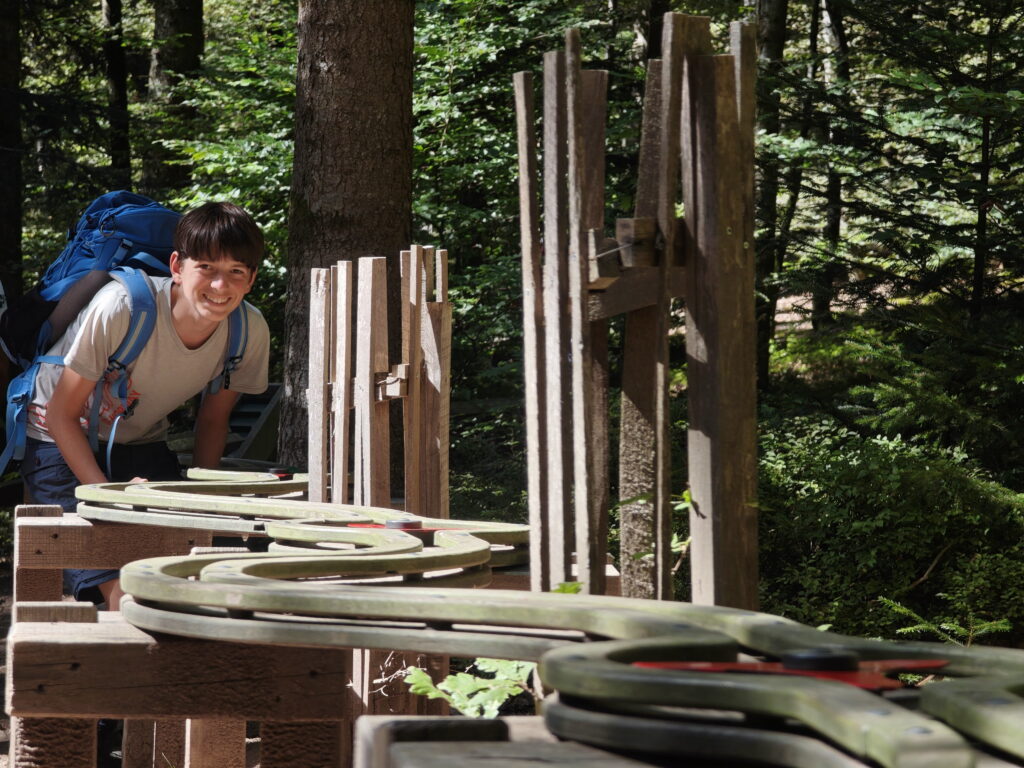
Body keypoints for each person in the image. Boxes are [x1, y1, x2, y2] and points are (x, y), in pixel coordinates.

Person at [20, 201, 270, 610]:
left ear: (251, 279)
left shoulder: (247, 330)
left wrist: (204, 506)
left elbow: (213, 421)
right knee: (127, 595)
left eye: (235, 272)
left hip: (141, 440)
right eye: (206, 268)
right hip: (57, 439)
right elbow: (61, 414)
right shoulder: (121, 306)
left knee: (202, 572)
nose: (220, 286)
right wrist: (108, 496)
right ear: (177, 265)